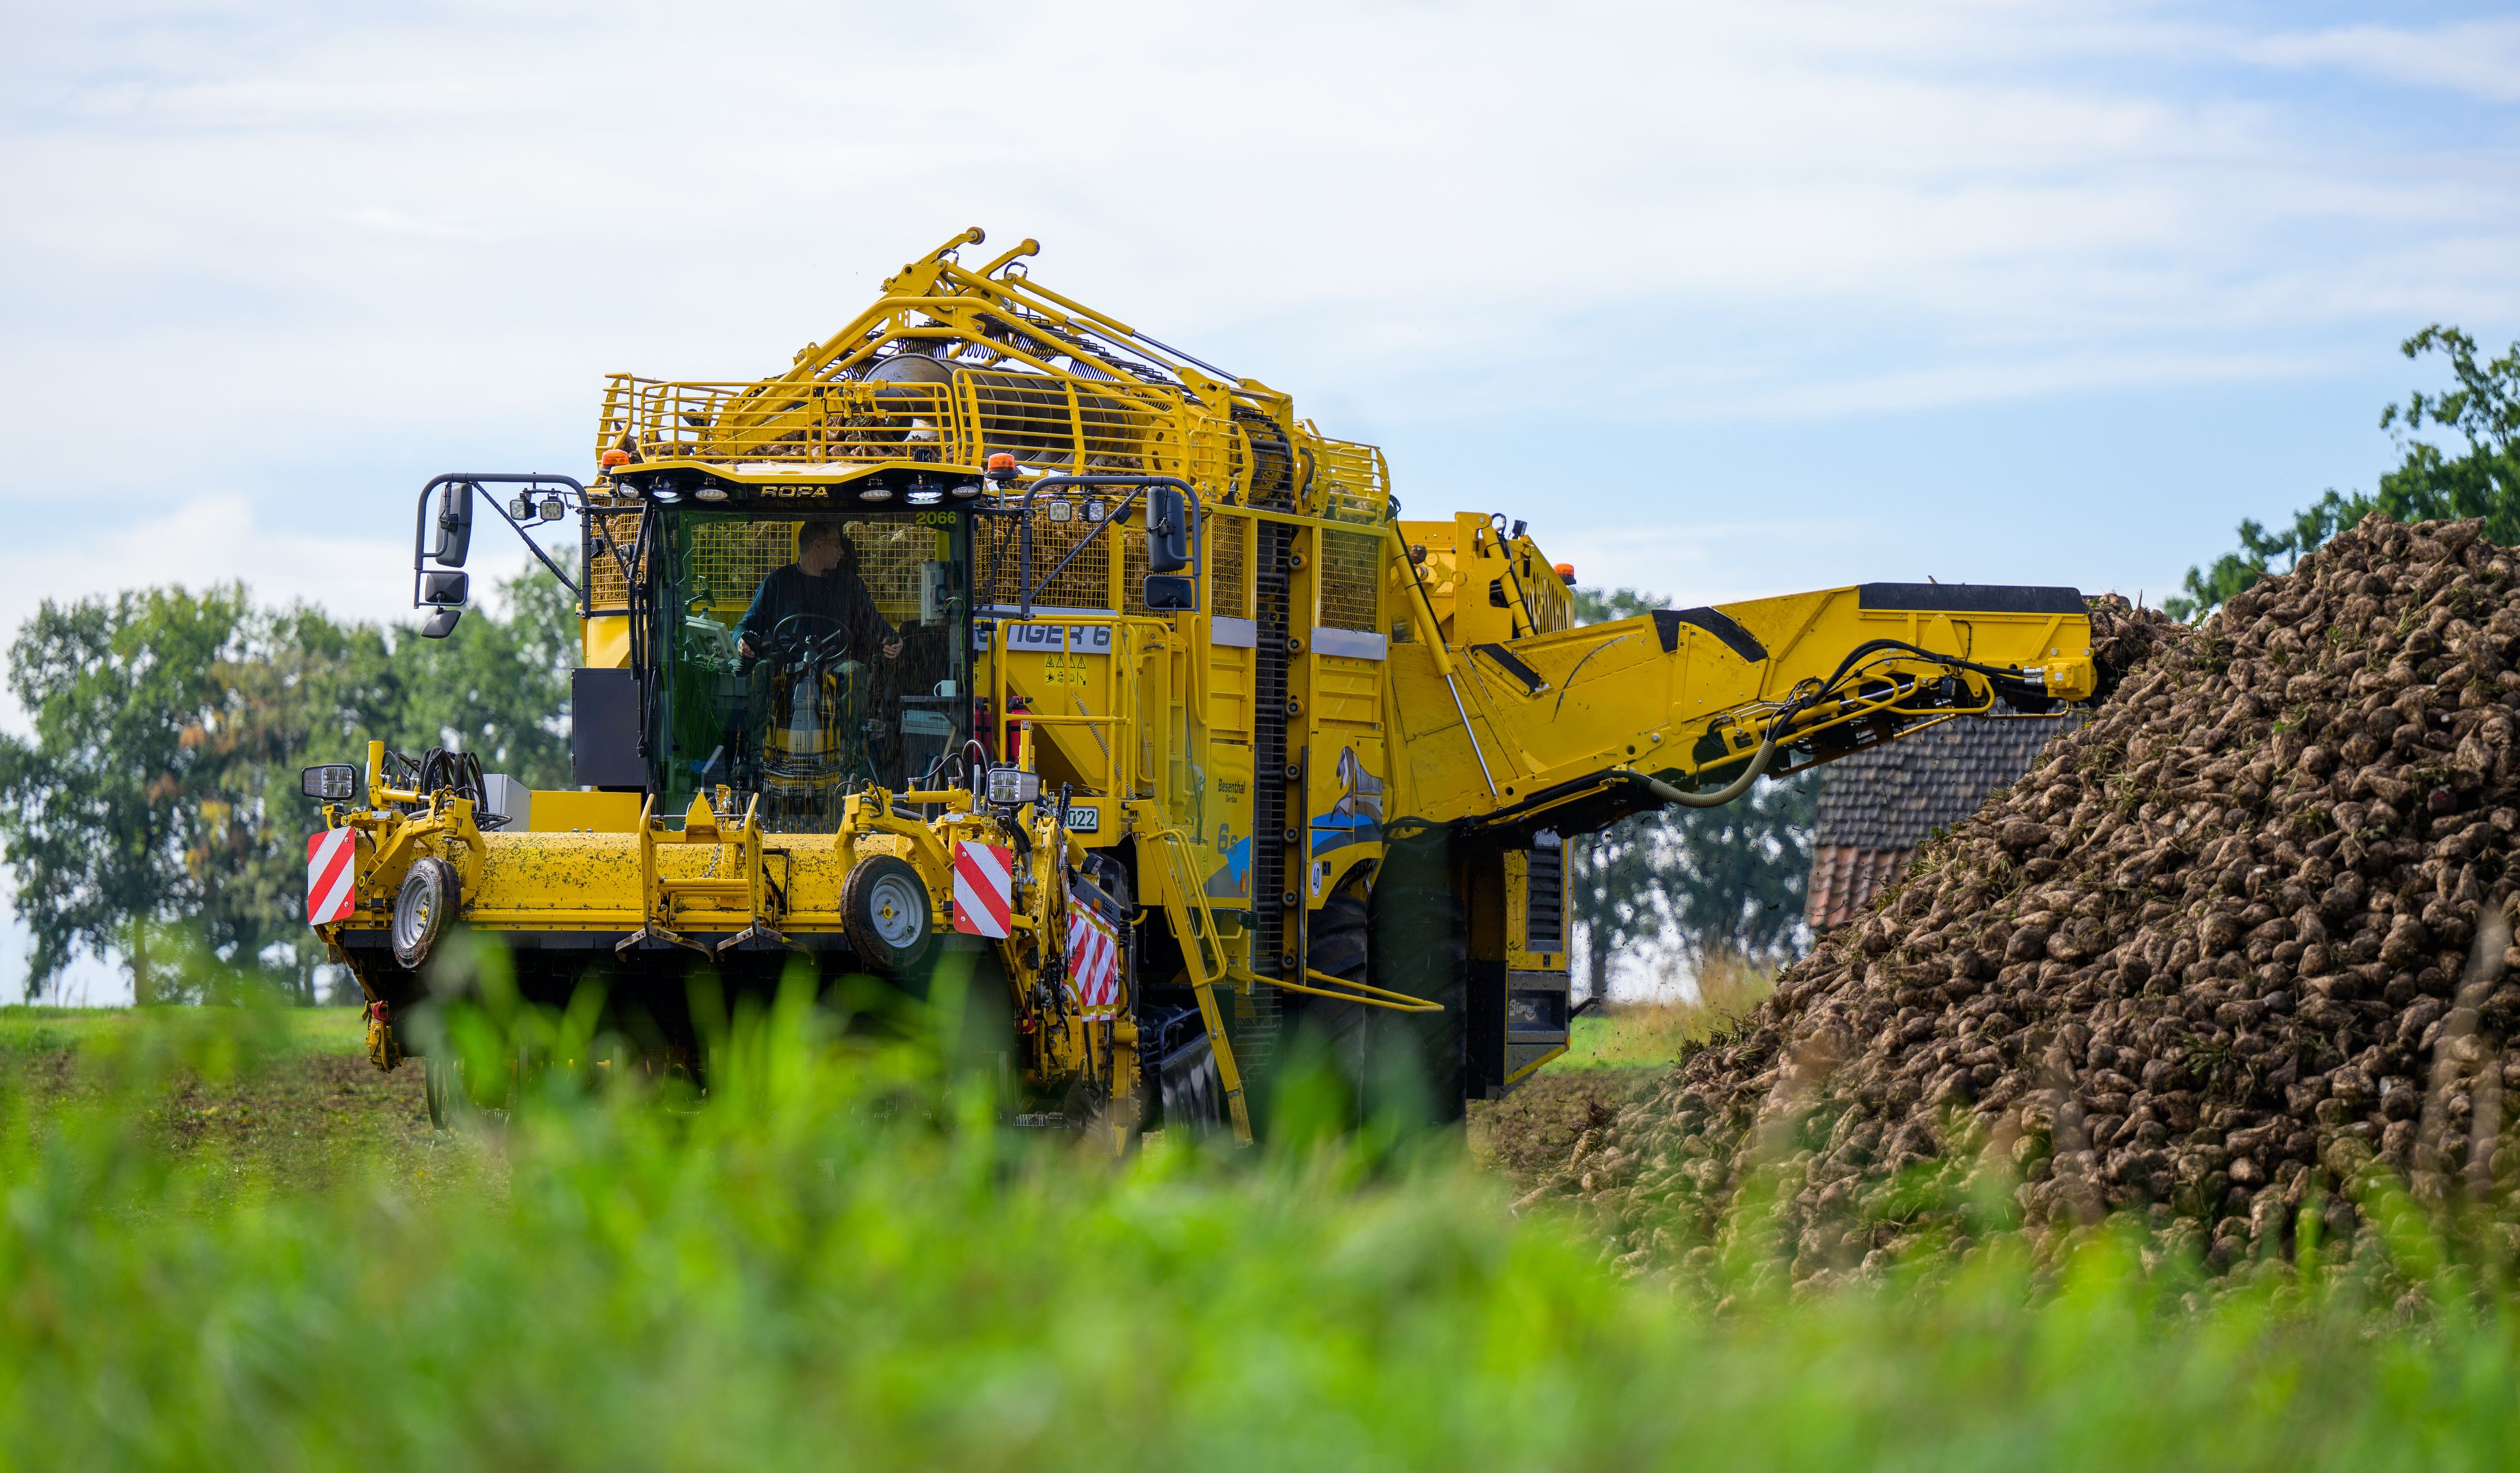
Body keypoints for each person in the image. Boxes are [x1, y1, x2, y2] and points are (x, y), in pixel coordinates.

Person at [736, 520, 903, 663]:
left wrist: (894, 640)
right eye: (837, 544)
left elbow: (876, 625)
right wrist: (740, 641)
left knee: (854, 673)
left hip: (835, 664)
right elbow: (744, 627)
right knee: (762, 670)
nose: (842, 551)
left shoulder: (850, 585)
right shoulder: (776, 583)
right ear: (817, 545)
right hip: (786, 664)